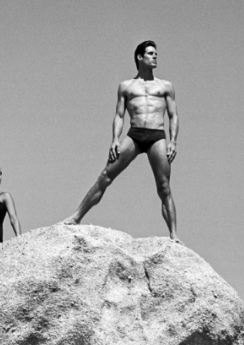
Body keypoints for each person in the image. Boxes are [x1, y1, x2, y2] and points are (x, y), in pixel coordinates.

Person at [61, 40, 179, 239]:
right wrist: (115, 139)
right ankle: (76, 217)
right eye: (150, 53)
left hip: (157, 136)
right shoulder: (126, 86)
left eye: (155, 53)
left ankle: (174, 235)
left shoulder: (165, 86)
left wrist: (173, 141)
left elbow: (173, 115)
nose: (155, 56)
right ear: (139, 57)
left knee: (164, 187)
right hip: (134, 135)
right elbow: (119, 115)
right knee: (106, 175)